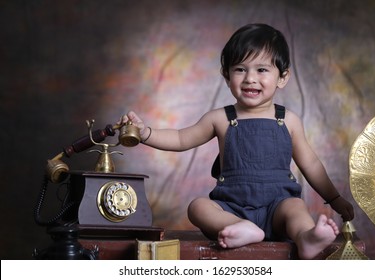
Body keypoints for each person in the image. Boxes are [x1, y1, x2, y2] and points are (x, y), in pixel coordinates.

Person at [119, 23, 354, 259]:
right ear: (226, 75)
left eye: (262, 70)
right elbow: (181, 138)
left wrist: (334, 198)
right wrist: (145, 132)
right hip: (231, 207)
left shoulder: (289, 121)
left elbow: (311, 164)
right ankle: (242, 228)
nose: (250, 78)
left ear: (282, 77)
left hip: (278, 206)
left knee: (296, 208)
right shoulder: (220, 118)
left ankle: (306, 238)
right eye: (240, 69)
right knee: (198, 207)